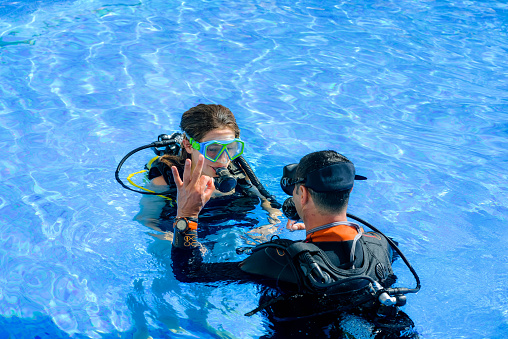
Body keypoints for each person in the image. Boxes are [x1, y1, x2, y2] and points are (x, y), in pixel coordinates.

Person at [169, 150, 420, 338]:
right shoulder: (383, 245)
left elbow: (189, 272)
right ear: (349, 191)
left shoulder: (277, 259)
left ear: (303, 194)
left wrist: (187, 216)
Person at [133, 103, 281, 239]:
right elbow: (146, 219)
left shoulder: (240, 171)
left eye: (230, 148)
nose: (223, 159)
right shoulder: (165, 181)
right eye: (212, 149)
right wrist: (171, 239)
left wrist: (271, 225)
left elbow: (269, 202)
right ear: (188, 145)